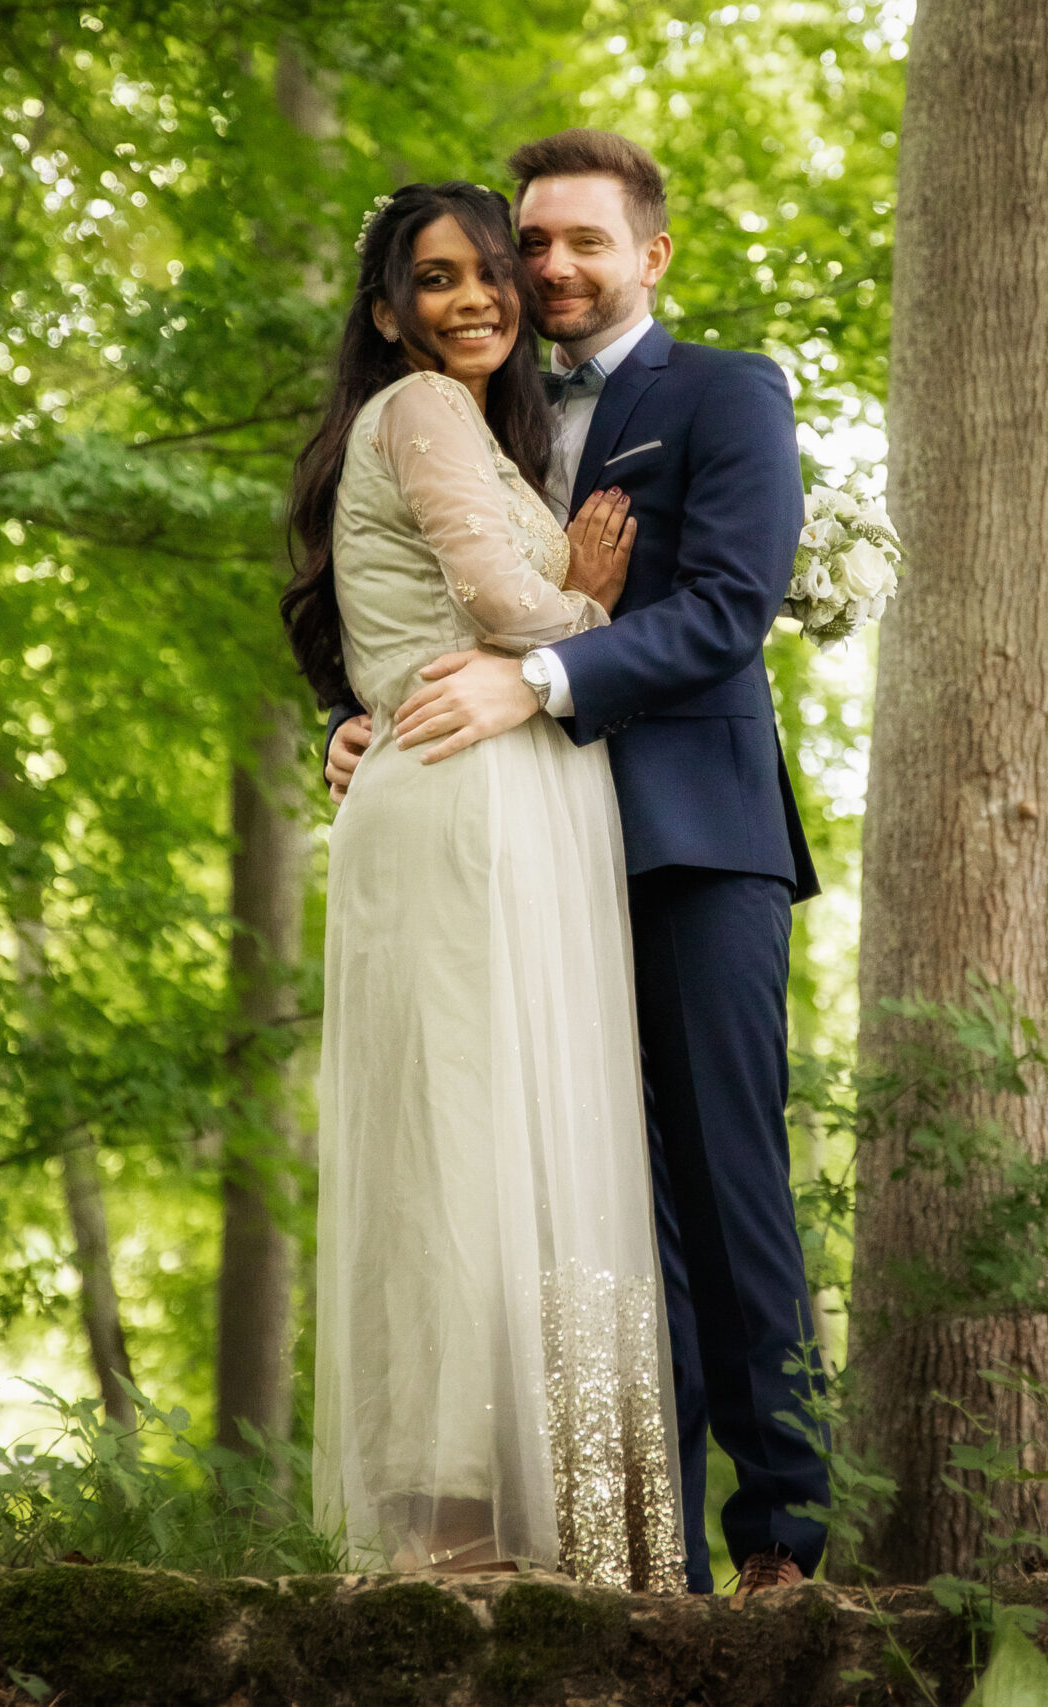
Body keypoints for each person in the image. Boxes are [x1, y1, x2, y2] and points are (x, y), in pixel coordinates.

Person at [319, 131, 830, 1602]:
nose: (547, 270)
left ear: (650, 255)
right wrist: (363, 719)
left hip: (689, 839)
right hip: (521, 846)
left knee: (726, 1194)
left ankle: (781, 1540)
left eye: (579, 244)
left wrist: (540, 675)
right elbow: (392, 577)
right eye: (528, 242)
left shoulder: (723, 393)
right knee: (586, 1206)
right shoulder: (476, 409)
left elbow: (726, 608)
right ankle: (622, 1550)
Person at [289, 178, 684, 1590]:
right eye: (434, 280)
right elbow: (511, 610)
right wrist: (585, 602)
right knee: (461, 1157)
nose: (472, 299)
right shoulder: (423, 410)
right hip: (469, 797)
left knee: (527, 1145)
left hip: (507, 791)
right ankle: (454, 1535)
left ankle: (550, 1522)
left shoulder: (467, 427)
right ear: (388, 313)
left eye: (486, 273)